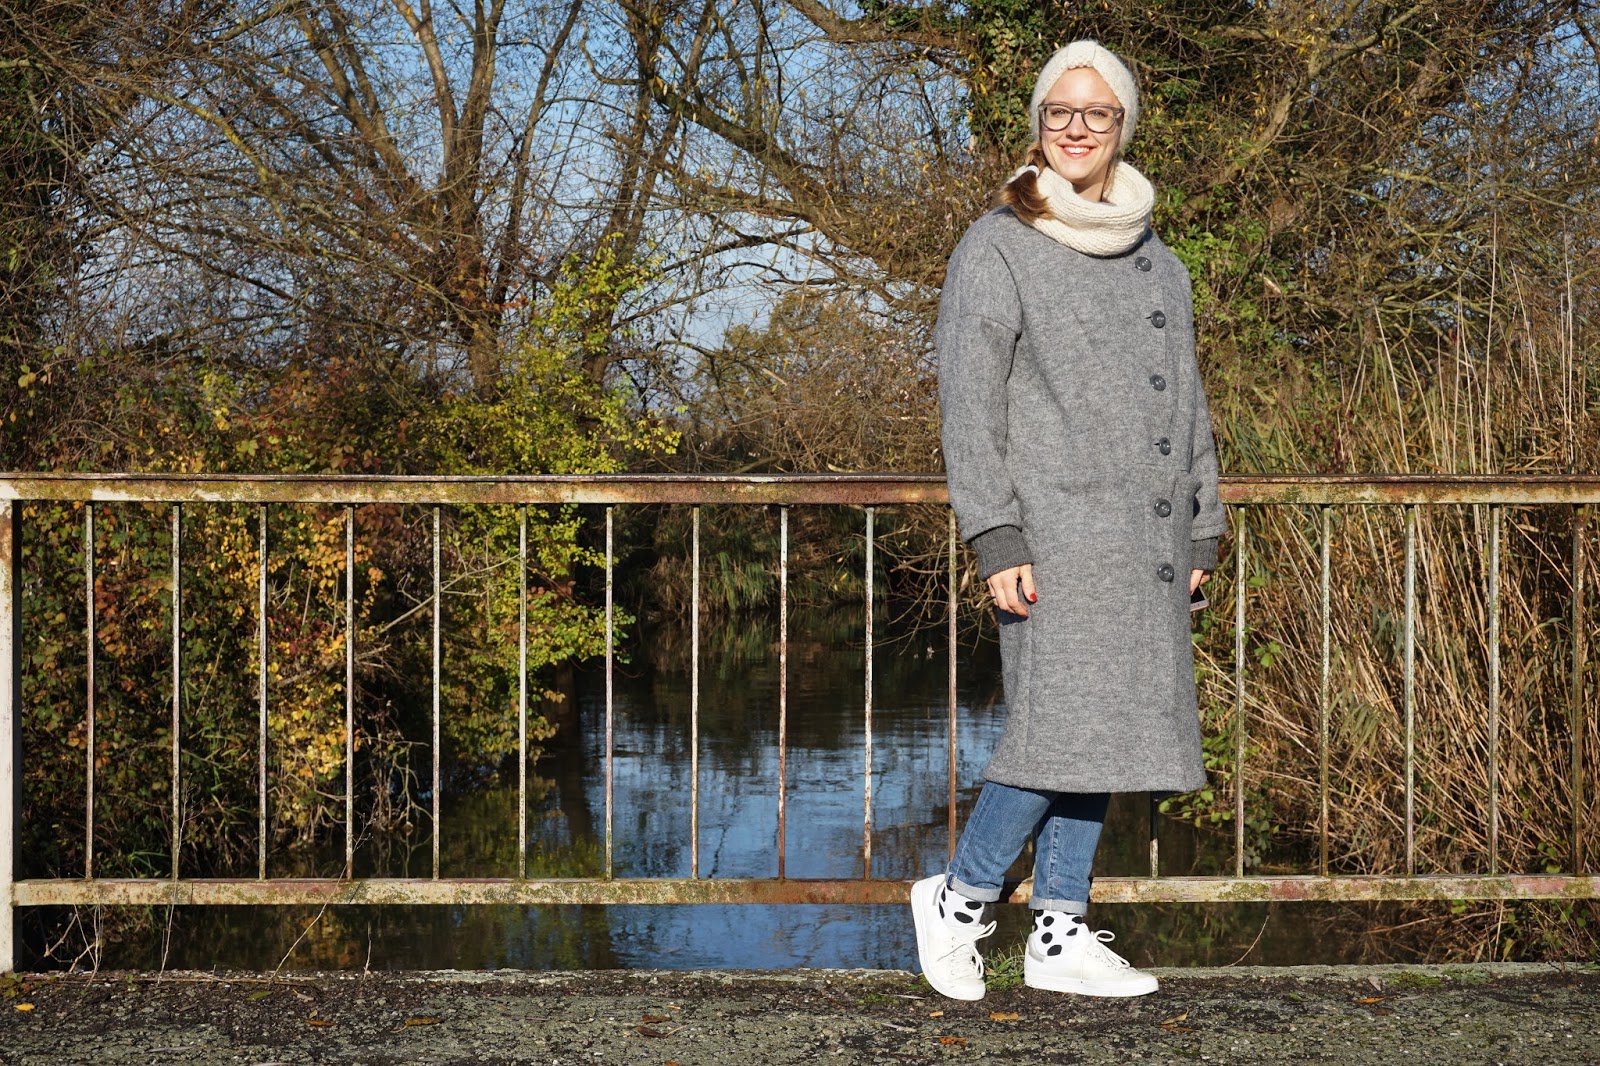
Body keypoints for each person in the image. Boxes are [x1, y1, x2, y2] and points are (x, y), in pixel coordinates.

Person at [914, 40, 1226, 1001]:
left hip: (1144, 536)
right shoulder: (998, 243)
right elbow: (968, 407)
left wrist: (1202, 527)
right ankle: (959, 899)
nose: (1077, 128)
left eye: (1097, 112)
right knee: (1059, 729)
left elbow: (1188, 407)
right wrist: (994, 535)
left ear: (1123, 126)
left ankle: (1059, 932)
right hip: (1050, 534)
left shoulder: (1159, 261)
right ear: (1040, 125)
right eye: (1060, 111)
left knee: (1110, 731)